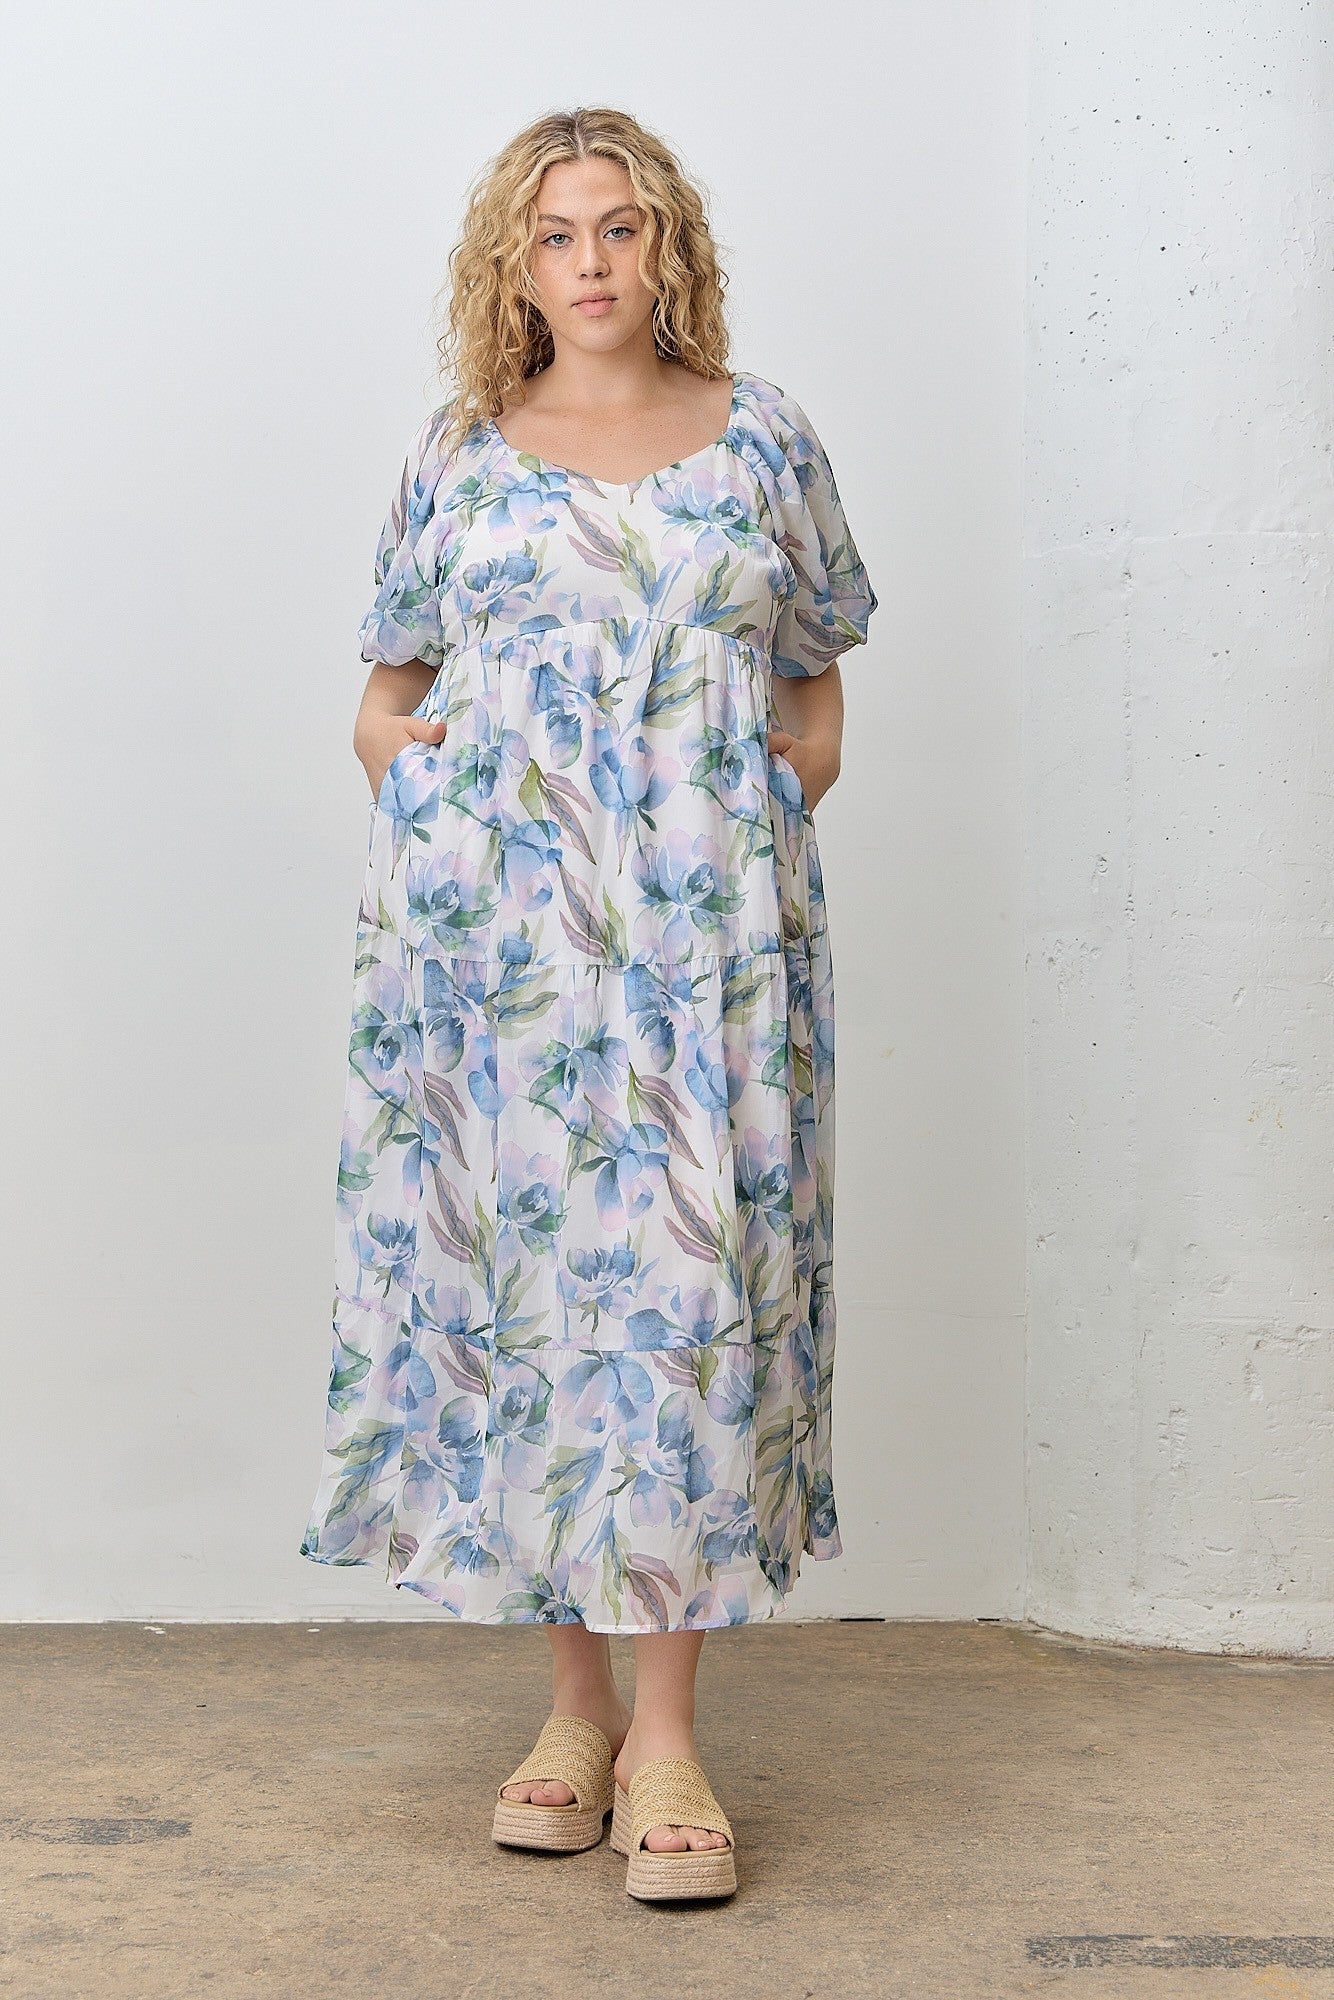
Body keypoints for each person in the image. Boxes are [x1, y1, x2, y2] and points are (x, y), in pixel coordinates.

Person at [300, 104, 878, 1901]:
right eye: (554, 235)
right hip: (497, 957)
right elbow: (383, 693)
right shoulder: (459, 453)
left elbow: (817, 678)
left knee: (688, 1302)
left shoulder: (762, 436)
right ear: (514, 264)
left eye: (619, 227)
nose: (591, 261)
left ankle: (670, 1735)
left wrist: (768, 796)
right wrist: (422, 789)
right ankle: (570, 1714)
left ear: (666, 245)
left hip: (707, 949)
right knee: (533, 1294)